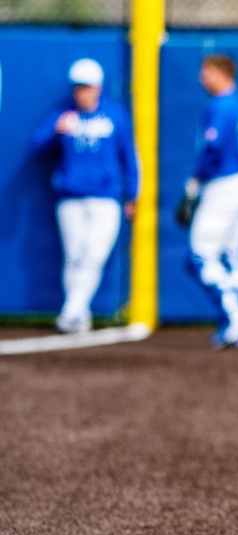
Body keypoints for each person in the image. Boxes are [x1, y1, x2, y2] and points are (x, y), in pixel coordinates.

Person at [31, 58, 139, 334]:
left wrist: (133, 194)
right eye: (77, 87)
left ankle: (71, 311)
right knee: (75, 256)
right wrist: (55, 133)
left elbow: (130, 157)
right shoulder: (63, 116)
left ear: (98, 87)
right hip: (70, 197)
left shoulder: (115, 116)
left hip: (105, 198)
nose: (81, 92)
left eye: (86, 87)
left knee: (94, 255)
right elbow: (37, 150)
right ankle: (79, 314)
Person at [184, 53, 238, 349]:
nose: (202, 78)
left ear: (221, 73)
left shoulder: (221, 105)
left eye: (207, 71)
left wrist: (194, 182)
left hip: (223, 183)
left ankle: (236, 315)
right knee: (231, 255)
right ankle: (235, 325)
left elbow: (212, 148)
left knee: (199, 256)